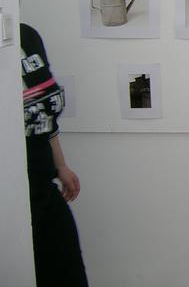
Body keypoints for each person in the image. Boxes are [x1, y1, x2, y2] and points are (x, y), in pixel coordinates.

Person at [21, 21, 89, 287]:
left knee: (66, 271)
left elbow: (44, 114)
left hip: (42, 184)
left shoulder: (26, 36)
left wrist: (60, 165)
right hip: (13, 193)